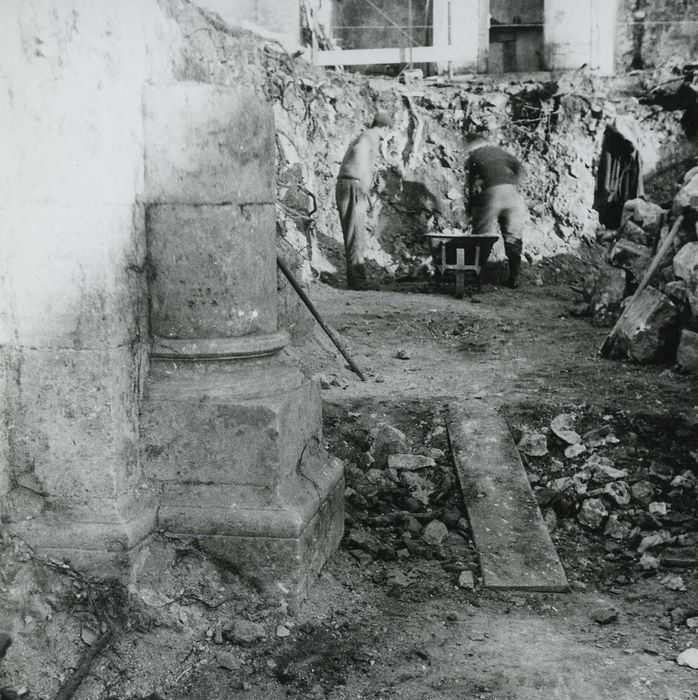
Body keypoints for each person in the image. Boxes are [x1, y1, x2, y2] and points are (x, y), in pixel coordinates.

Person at [336, 111, 392, 290]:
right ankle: (358, 282)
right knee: (356, 234)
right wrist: (364, 184)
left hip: (347, 183)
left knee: (353, 233)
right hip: (353, 185)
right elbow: (360, 151)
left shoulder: (365, 134)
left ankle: (355, 279)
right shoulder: (371, 137)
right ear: (386, 128)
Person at [464, 133, 528, 288]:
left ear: (471, 146)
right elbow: (519, 167)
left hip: (492, 195)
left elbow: (471, 188)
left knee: (481, 234)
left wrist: (471, 209)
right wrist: (511, 183)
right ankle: (513, 279)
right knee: (513, 237)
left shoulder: (473, 158)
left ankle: (476, 277)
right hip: (513, 196)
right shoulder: (499, 151)